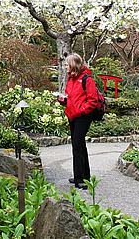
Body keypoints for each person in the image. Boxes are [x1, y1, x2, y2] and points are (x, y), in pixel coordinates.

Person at [56, 53, 99, 190]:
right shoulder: (71, 79)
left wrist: (81, 110)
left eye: (67, 64)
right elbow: (72, 97)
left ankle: (80, 178)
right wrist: (64, 101)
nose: (65, 66)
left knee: (77, 145)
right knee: (79, 145)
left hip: (82, 116)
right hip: (72, 115)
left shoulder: (87, 79)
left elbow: (93, 101)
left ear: (73, 65)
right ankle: (83, 175)